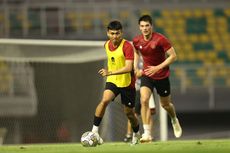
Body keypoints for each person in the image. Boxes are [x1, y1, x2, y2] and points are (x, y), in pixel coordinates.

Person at [132, 14, 182, 142]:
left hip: (162, 76)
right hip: (147, 75)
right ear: (139, 27)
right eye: (142, 26)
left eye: (147, 25)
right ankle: (147, 133)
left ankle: (174, 119)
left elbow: (173, 56)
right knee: (144, 100)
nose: (145, 28)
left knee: (165, 105)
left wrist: (157, 67)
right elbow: (136, 52)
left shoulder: (160, 39)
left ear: (151, 26)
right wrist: (136, 67)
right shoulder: (137, 41)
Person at [91, 20, 140, 145]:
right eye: (112, 33)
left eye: (117, 33)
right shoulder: (106, 45)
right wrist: (110, 74)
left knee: (129, 113)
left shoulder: (127, 46)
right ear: (108, 33)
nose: (115, 36)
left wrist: (110, 72)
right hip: (113, 81)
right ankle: (94, 131)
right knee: (105, 100)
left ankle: (136, 132)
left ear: (122, 33)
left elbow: (129, 68)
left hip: (127, 83)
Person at [124, 59, 156, 143]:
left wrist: (143, 72)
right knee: (134, 113)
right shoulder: (133, 60)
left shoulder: (149, 58)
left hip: (148, 88)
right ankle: (129, 135)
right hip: (137, 89)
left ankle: (149, 134)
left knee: (149, 111)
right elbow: (134, 73)